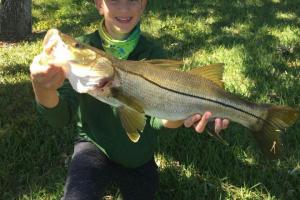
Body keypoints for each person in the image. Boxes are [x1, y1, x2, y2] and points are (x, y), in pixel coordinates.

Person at [30, 0, 229, 199]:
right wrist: (41, 85)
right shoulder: (86, 47)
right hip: (93, 146)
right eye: (114, 0)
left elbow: (159, 124)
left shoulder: (153, 53)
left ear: (143, 4)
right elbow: (60, 118)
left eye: (132, 0)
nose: (124, 8)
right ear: (99, 4)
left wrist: (185, 113)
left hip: (138, 155)